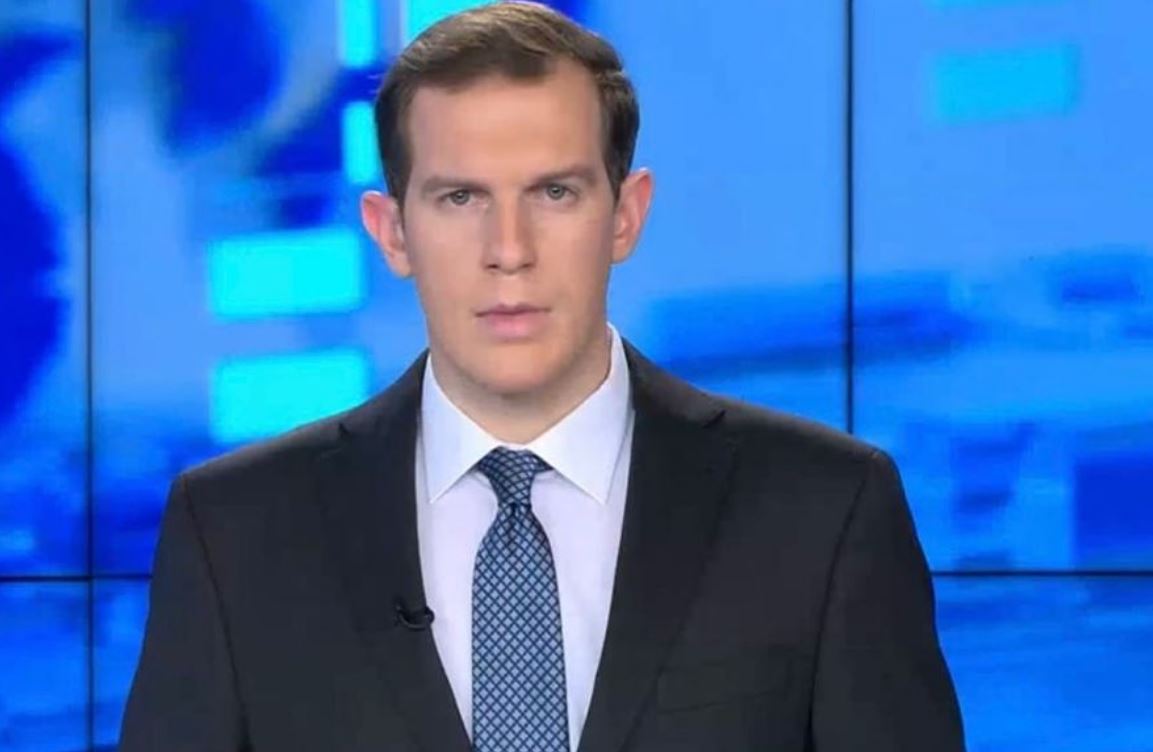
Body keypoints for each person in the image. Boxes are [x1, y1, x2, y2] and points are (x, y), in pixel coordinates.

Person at [119, 3, 965, 750]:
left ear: (625, 215)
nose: (509, 250)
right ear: (392, 231)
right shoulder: (235, 534)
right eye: (459, 198)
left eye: (554, 193)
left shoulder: (823, 509)